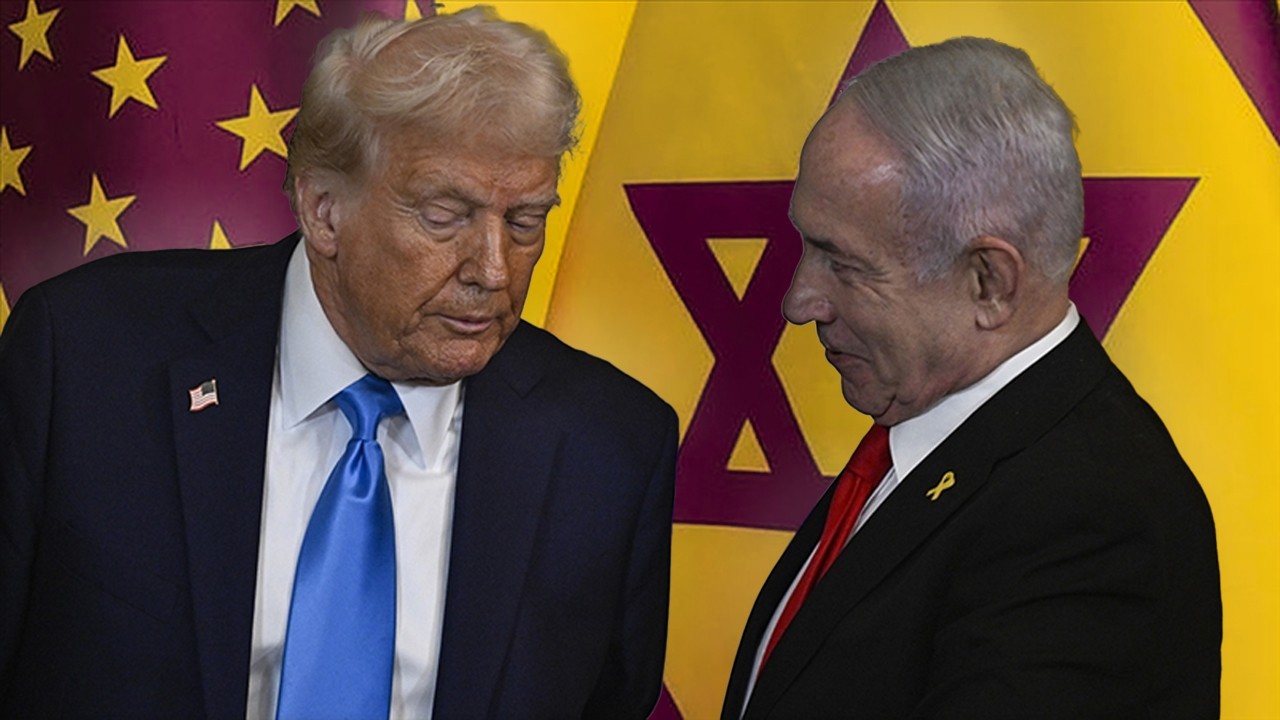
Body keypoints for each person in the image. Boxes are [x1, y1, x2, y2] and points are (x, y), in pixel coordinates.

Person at [0, 8, 676, 719]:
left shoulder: (611, 449)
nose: (494, 270)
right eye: (445, 216)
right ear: (324, 210)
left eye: (524, 222)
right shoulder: (83, 361)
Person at [723, 37, 1220, 719]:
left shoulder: (1093, 514)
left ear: (988, 282)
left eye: (844, 264)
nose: (798, 302)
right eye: (808, 247)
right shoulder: (933, 440)